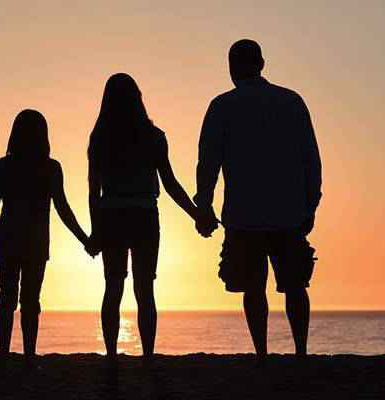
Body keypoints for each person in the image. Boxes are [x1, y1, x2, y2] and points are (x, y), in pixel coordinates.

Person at [194, 39, 322, 366]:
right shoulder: (292, 102)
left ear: (233, 67)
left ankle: (262, 354)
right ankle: (301, 352)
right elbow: (311, 158)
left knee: (254, 288)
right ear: (262, 63)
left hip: (243, 213)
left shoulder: (222, 106)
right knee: (295, 285)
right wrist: (311, 203)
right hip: (288, 210)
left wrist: (204, 204)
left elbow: (208, 162)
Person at [88, 73, 201, 365]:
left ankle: (112, 354)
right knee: (145, 289)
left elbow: (93, 192)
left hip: (112, 214)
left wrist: (95, 230)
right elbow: (171, 184)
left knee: (113, 287)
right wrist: (196, 214)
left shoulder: (100, 138)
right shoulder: (153, 136)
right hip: (144, 216)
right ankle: (148, 355)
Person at [0, 109, 92, 368]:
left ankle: (5, 354)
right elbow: (63, 209)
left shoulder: (3, 166)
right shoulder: (50, 168)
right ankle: (28, 355)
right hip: (35, 241)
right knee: (30, 299)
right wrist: (85, 239)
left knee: (6, 296)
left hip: (9, 239)